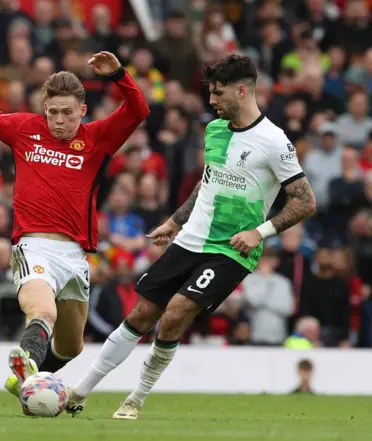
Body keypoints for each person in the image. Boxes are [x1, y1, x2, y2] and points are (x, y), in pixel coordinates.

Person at [65, 54, 316, 419]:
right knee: (140, 314)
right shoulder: (214, 130)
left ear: (242, 90)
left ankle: (136, 397)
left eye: (217, 93)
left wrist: (258, 232)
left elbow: (305, 201)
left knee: (175, 314)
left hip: (232, 250)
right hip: (191, 239)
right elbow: (208, 182)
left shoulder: (274, 141)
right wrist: (176, 220)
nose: (211, 101)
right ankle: (81, 390)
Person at [0, 51, 149, 401]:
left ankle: (30, 374)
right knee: (42, 312)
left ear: (82, 110)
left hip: (76, 256)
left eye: (67, 113)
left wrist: (119, 75)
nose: (59, 121)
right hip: (33, 247)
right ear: (43, 109)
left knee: (70, 346)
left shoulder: (98, 139)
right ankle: (28, 369)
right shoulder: (25, 129)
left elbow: (138, 111)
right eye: (53, 113)